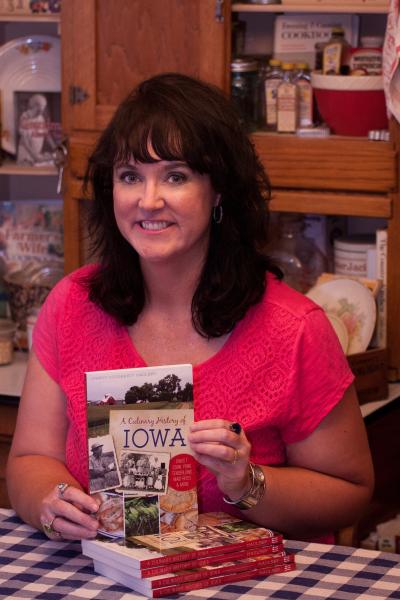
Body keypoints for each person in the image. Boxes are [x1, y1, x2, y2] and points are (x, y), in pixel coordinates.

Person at [6, 72, 374, 542]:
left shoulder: (294, 328)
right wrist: (49, 501)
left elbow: (351, 493)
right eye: (130, 176)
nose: (149, 200)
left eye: (175, 176)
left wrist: (247, 483)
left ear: (218, 191)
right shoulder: (72, 304)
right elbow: (28, 461)